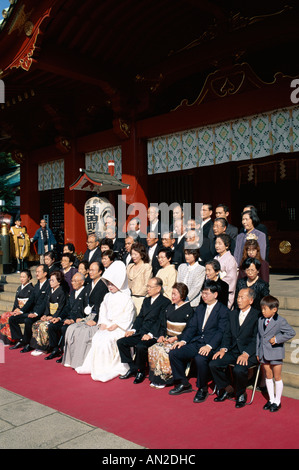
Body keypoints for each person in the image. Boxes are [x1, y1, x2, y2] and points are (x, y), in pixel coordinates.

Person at [168, 280, 229, 402]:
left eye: (207, 293)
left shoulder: (223, 310)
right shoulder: (200, 308)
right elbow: (192, 327)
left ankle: (203, 388)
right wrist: (183, 341)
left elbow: (221, 332)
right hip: (197, 342)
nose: (204, 296)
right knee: (174, 352)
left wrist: (209, 346)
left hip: (212, 345)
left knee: (200, 358)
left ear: (215, 294)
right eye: (203, 293)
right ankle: (183, 383)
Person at [76, 261, 135, 382]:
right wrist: (103, 323)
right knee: (98, 337)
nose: (110, 286)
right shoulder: (107, 296)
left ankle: (107, 367)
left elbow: (129, 315)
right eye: (108, 284)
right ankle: (97, 367)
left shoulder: (126, 298)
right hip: (107, 325)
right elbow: (103, 311)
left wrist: (117, 325)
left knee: (108, 340)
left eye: (112, 284)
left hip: (120, 328)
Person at [210, 287, 259, 408]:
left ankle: (241, 393)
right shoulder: (232, 314)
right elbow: (227, 334)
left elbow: (256, 339)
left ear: (251, 300)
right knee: (214, 363)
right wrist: (223, 349)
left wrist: (247, 353)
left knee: (239, 369)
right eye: (238, 297)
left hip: (249, 352)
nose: (239, 300)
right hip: (233, 350)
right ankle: (227, 388)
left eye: (242, 297)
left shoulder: (257, 315)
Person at [117, 277, 171, 384]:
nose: (148, 289)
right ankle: (132, 367)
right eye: (148, 286)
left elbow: (161, 321)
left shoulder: (165, 302)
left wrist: (151, 335)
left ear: (158, 288)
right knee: (121, 342)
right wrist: (133, 330)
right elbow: (140, 317)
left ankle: (140, 371)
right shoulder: (146, 300)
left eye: (151, 287)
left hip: (155, 334)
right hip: (142, 331)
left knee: (141, 346)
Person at [62, 261, 108, 369]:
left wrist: (96, 320)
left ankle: (81, 361)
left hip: (98, 317)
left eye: (93, 270)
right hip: (86, 316)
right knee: (71, 329)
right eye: (89, 270)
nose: (90, 272)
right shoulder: (88, 286)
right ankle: (71, 359)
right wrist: (76, 318)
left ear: (100, 271)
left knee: (84, 332)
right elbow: (81, 304)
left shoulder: (103, 286)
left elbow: (104, 306)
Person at [148, 283, 194, 388]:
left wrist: (177, 338)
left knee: (164, 351)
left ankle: (165, 379)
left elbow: (189, 330)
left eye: (175, 294)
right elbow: (163, 324)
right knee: (154, 348)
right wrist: (161, 335)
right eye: (172, 294)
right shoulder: (169, 307)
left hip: (179, 339)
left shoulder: (189, 310)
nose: (172, 296)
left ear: (182, 295)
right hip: (168, 337)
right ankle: (156, 378)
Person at [257, 295, 295, 412]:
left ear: (274, 309)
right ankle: (271, 399)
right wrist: (258, 352)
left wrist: (277, 339)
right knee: (268, 376)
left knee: (277, 377)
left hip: (276, 352)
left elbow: (291, 332)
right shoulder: (260, 320)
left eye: (265, 309)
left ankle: (277, 401)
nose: (263, 311)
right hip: (264, 353)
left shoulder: (280, 321)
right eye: (262, 309)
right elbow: (258, 337)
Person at [9, 264, 51, 353]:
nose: (36, 273)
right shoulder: (36, 285)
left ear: (45, 273)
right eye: (36, 271)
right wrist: (21, 311)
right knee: (13, 318)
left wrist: (36, 314)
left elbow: (45, 303)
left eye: (39, 271)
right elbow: (30, 301)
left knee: (28, 320)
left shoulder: (48, 285)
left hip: (41, 313)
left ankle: (28, 343)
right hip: (32, 311)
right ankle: (20, 339)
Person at [46, 272, 87, 361]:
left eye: (76, 281)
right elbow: (67, 307)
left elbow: (85, 312)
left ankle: (65, 352)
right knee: (52, 326)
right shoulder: (72, 293)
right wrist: (59, 318)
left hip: (77, 321)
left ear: (82, 282)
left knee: (65, 329)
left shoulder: (85, 293)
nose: (73, 283)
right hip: (67, 318)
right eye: (72, 281)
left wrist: (73, 320)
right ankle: (55, 349)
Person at [31, 270, 68, 356]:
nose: (50, 282)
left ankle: (46, 348)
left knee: (44, 326)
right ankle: (38, 346)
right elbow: (47, 305)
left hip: (56, 316)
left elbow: (61, 308)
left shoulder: (62, 293)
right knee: (36, 324)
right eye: (50, 280)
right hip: (49, 315)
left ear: (59, 282)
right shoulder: (50, 291)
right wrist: (45, 315)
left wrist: (53, 317)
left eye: (53, 280)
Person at [0, 269, 34, 344]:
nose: (21, 279)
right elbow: (16, 301)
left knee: (11, 318)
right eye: (21, 277)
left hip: (26, 311)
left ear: (29, 277)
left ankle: (16, 338)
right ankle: (9, 338)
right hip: (18, 310)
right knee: (4, 316)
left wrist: (21, 310)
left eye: (24, 277)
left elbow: (30, 303)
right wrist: (14, 309)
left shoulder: (31, 289)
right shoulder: (19, 288)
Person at [126, 242, 152, 315]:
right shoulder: (129, 266)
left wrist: (136, 294)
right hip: (129, 297)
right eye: (132, 254)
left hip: (140, 298)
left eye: (135, 254)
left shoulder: (146, 267)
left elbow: (147, 284)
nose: (133, 256)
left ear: (141, 255)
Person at [214, 233, 238, 309]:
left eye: (219, 243)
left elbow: (231, 278)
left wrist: (217, 283)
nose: (216, 246)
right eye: (216, 243)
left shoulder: (230, 259)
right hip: (214, 291)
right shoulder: (215, 258)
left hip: (224, 292)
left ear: (227, 245)